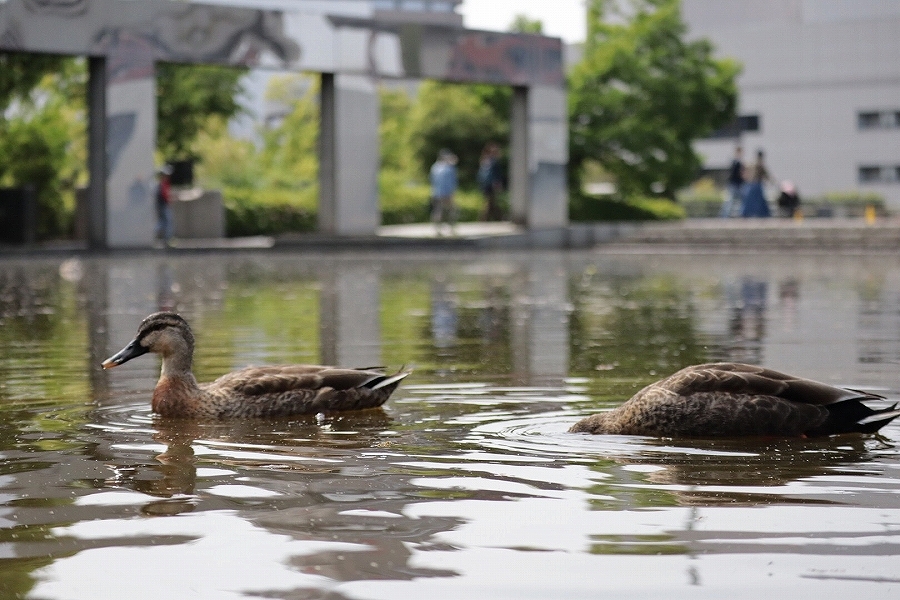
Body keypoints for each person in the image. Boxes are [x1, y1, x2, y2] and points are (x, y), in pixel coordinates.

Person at [430, 149, 458, 234]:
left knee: (438, 210)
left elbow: (432, 180)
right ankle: (451, 228)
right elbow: (452, 182)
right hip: (447, 193)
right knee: (452, 210)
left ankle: (437, 229)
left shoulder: (434, 167)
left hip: (436, 192)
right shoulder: (449, 167)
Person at [741, 149, 772, 218]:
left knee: (751, 200)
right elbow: (765, 174)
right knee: (758, 201)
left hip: (751, 184)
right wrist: (771, 181)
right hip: (756, 184)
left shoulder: (752, 163)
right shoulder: (759, 164)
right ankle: (763, 214)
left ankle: (746, 214)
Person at [477, 142, 504, 221]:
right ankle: (483, 219)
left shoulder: (484, 160)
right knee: (489, 203)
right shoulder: (493, 161)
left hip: (484, 184)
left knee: (491, 202)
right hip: (491, 184)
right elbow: (496, 174)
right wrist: (497, 184)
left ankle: (499, 217)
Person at [721, 145, 744, 218]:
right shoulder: (734, 162)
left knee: (740, 201)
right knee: (730, 201)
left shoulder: (739, 163)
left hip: (739, 184)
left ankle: (740, 215)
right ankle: (724, 216)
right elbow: (733, 174)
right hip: (733, 184)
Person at [155, 165, 174, 244]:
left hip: (161, 205)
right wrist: (169, 200)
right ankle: (167, 239)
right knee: (168, 221)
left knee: (162, 222)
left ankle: (165, 238)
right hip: (163, 205)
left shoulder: (162, 183)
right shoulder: (163, 184)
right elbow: (164, 195)